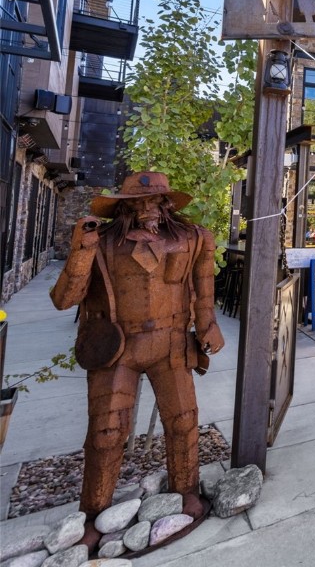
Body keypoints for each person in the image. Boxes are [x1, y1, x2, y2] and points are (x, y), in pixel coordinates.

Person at [49, 171, 222, 549]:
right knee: (106, 431)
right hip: (117, 347)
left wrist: (208, 324)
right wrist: (81, 249)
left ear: (166, 204)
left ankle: (186, 491)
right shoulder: (104, 243)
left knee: (183, 421)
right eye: (140, 202)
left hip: (171, 341)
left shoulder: (191, 239)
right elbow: (64, 299)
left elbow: (203, 287)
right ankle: (94, 512)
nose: (149, 209)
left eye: (156, 201)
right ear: (124, 206)